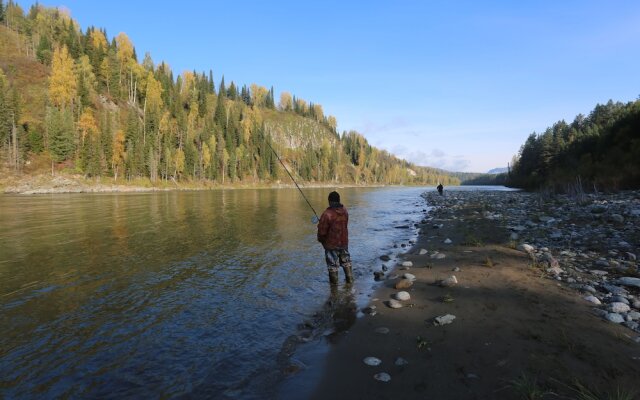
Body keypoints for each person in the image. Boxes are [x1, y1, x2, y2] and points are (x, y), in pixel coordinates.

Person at [317, 191, 353, 285]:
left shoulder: (327, 214)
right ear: (339, 200)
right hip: (344, 243)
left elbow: (322, 232)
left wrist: (321, 240)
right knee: (346, 262)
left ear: (329, 201)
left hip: (331, 245)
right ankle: (350, 283)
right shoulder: (345, 211)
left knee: (333, 266)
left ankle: (334, 291)